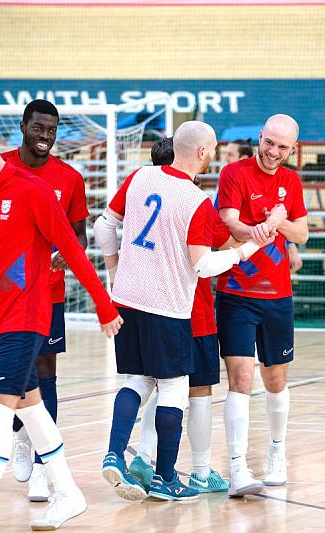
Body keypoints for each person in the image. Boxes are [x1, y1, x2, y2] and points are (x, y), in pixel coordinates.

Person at [0, 118, 123, 533]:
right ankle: (69, 493)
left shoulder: (32, 191)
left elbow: (71, 248)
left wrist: (104, 307)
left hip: (27, 320)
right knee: (33, 413)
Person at [93, 122, 271, 503]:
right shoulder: (196, 201)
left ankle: (114, 452)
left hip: (126, 298)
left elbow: (103, 227)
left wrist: (113, 272)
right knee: (173, 387)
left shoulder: (140, 177)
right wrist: (243, 252)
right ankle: (165, 479)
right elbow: (203, 265)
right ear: (204, 153)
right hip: (167, 305)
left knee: (136, 380)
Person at [129, 137, 286, 495]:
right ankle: (195, 471)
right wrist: (255, 240)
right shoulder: (194, 202)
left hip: (146, 304)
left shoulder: (143, 191)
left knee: (156, 384)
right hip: (190, 311)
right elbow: (220, 250)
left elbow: (109, 227)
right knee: (192, 392)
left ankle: (141, 456)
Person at [0, 99, 90, 503]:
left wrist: (71, 250)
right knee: (11, 371)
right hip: (4, 290)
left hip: (48, 290)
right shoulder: (0, 169)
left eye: (52, 130)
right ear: (24, 126)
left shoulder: (70, 178)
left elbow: (77, 235)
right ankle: (21, 436)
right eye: (39, 127)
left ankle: (46, 467)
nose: (45, 136)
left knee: (46, 369)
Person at [216, 114, 308, 497]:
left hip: (277, 298)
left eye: (282, 147)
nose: (273, 152)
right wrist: (260, 226)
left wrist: (278, 221)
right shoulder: (234, 173)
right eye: (269, 142)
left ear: (292, 150)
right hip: (236, 294)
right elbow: (230, 223)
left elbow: (301, 233)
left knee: (275, 381)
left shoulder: (292, 180)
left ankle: (277, 453)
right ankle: (237, 467)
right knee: (240, 380)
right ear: (260, 138)